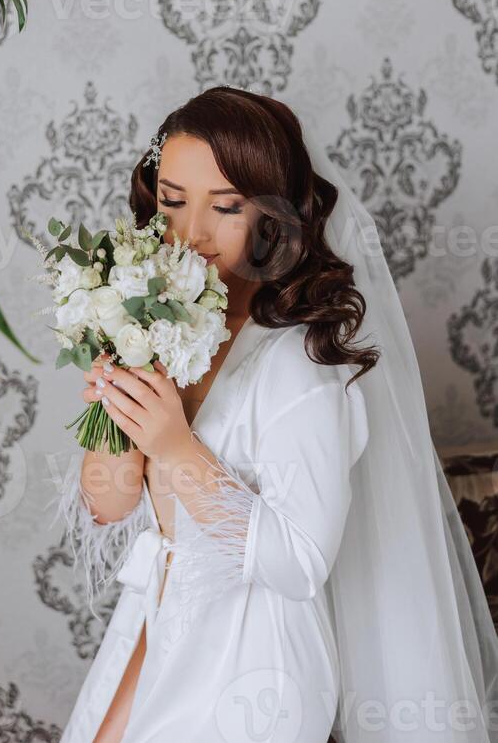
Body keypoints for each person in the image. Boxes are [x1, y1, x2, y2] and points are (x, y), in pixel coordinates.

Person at [48, 86, 498, 743]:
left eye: (224, 207)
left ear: (273, 217)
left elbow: (299, 561)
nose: (190, 231)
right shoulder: (167, 333)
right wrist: (121, 413)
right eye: (172, 200)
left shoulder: (303, 361)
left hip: (249, 664)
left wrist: (176, 446)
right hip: (155, 628)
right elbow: (112, 507)